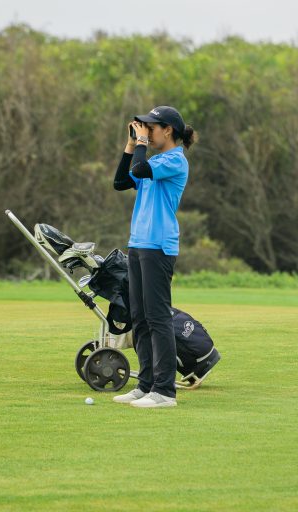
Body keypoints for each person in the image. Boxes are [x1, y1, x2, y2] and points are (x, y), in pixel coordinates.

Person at [111, 105, 197, 408]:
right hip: (138, 243)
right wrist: (132, 144)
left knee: (158, 317)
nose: (146, 130)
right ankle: (145, 384)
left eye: (151, 127)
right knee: (140, 317)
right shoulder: (154, 159)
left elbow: (139, 170)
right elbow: (121, 181)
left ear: (167, 131)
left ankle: (164, 391)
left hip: (159, 245)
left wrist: (141, 145)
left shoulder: (174, 160)